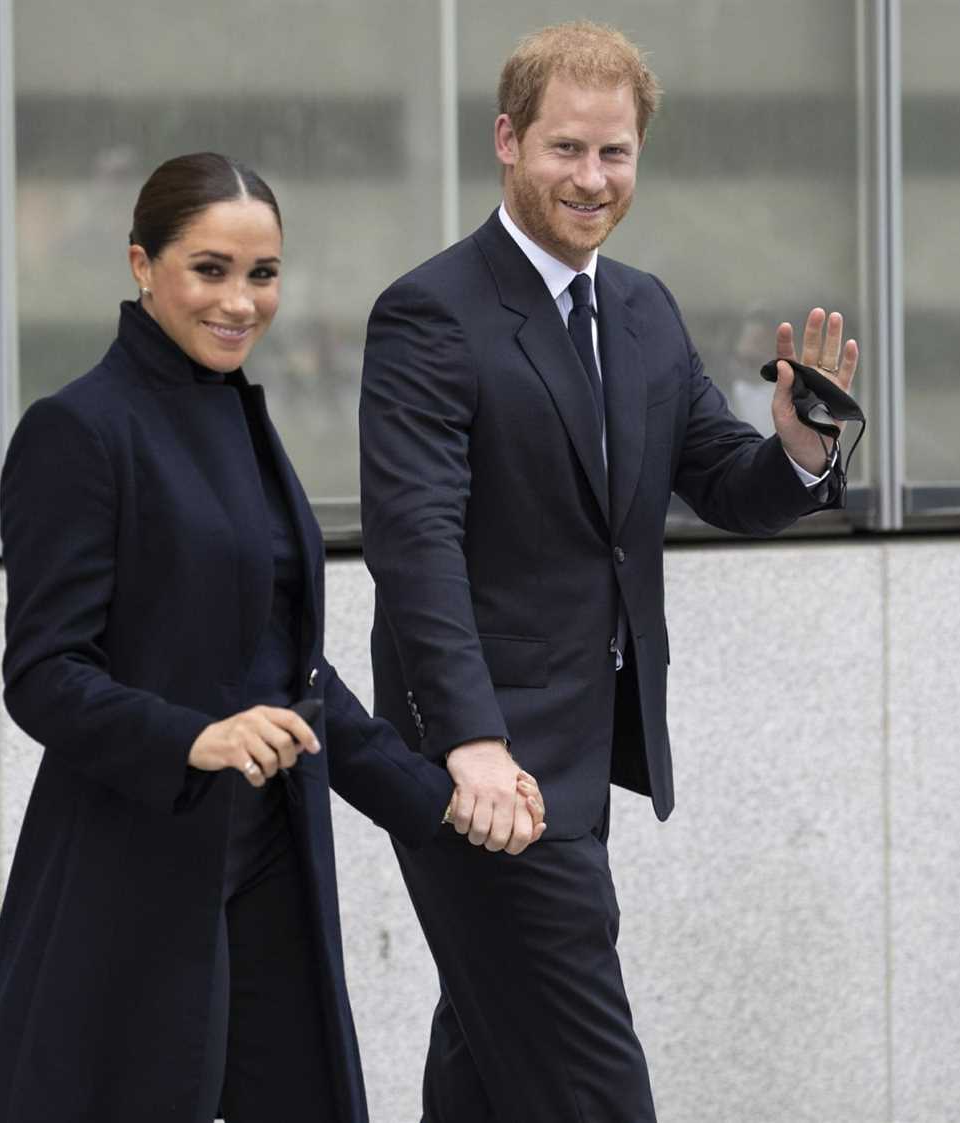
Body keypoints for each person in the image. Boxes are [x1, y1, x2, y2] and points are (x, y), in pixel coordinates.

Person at [0, 152, 544, 1123]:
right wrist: (193, 736)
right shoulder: (77, 432)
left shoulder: (239, 420)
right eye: (210, 269)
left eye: (262, 273)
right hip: (132, 880)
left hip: (271, 865)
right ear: (140, 265)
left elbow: (293, 670)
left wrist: (440, 798)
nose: (240, 301)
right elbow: (42, 675)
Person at [359, 22, 859, 1123]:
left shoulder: (639, 308)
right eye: (565, 149)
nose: (590, 179)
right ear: (506, 140)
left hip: (583, 756)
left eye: (614, 154)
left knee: (490, 1061)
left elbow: (724, 483)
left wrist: (799, 447)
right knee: (591, 1084)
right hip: (480, 767)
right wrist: (470, 743)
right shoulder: (429, 313)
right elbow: (414, 545)